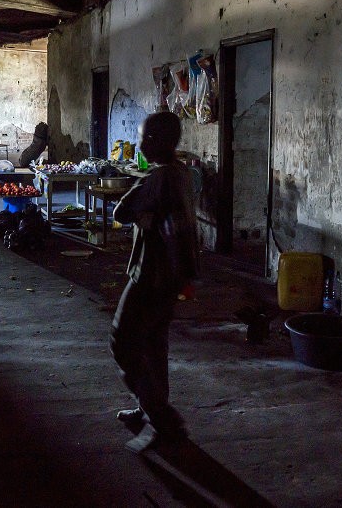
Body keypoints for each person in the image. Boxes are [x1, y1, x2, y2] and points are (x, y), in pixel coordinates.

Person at [110, 111, 199, 453]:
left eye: (148, 138)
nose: (142, 144)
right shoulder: (183, 174)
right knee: (154, 344)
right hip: (173, 276)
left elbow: (120, 211)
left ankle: (160, 416)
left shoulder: (158, 178)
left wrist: (141, 213)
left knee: (122, 341)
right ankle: (149, 405)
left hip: (151, 274)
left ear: (165, 142)